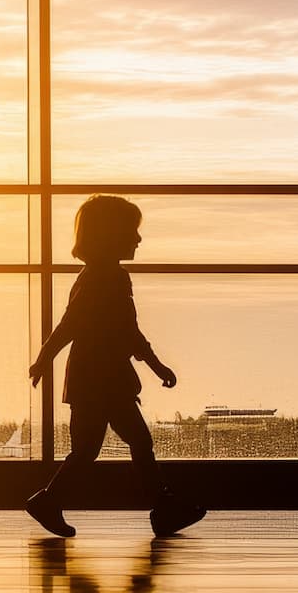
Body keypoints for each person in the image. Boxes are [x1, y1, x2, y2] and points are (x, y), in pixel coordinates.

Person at [26, 193, 205, 538]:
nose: (138, 239)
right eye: (131, 231)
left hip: (93, 379)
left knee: (98, 448)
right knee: (131, 443)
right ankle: (162, 508)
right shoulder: (107, 278)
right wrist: (156, 366)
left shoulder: (96, 277)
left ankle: (51, 501)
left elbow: (82, 327)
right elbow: (116, 330)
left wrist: (44, 359)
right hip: (103, 380)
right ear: (110, 234)